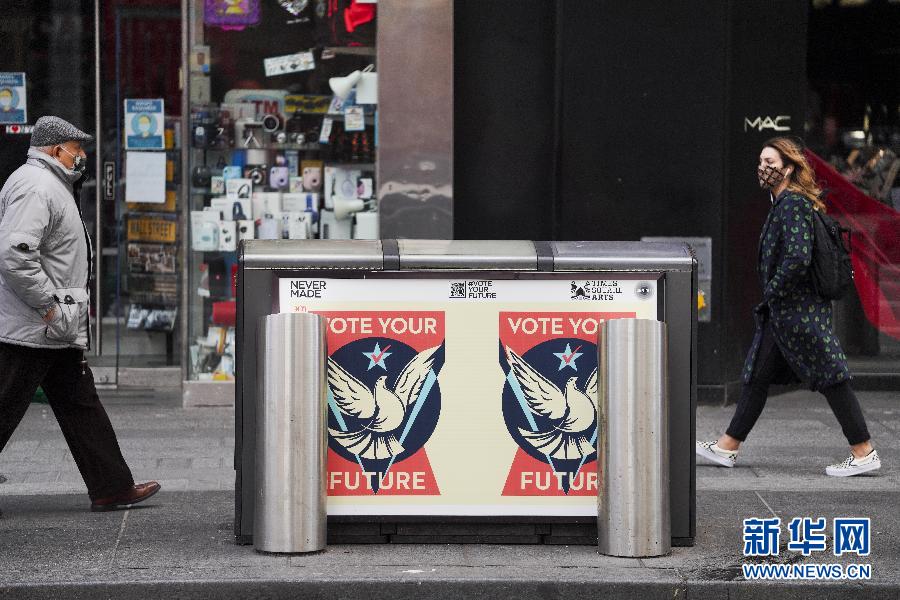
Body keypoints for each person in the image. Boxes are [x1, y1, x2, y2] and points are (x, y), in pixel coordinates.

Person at [0, 116, 160, 512]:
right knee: (4, 404)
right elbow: (16, 255)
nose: (83, 155)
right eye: (77, 148)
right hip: (35, 325)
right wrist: (49, 307)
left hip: (53, 326)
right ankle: (112, 486)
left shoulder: (51, 184)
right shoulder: (36, 186)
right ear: (56, 150)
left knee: (80, 404)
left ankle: (112, 486)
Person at [696, 136, 881, 477]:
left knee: (831, 378)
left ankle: (864, 450)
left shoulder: (793, 204)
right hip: (784, 313)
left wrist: (774, 292)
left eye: (771, 163)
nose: (763, 168)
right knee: (756, 375)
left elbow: (797, 256)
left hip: (799, 312)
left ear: (790, 167)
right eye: (761, 162)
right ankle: (728, 446)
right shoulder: (784, 203)